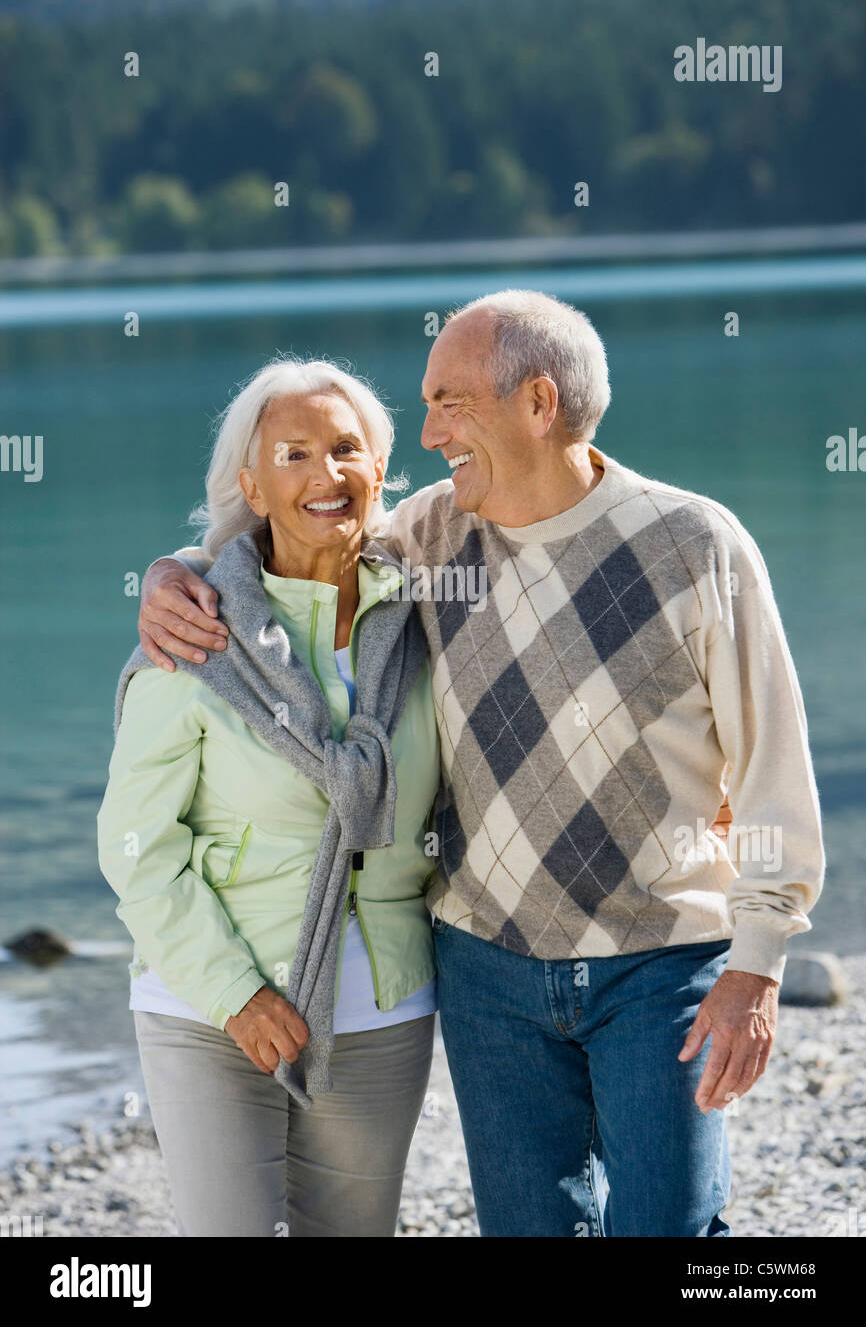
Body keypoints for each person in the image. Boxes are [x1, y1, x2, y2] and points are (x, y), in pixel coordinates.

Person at [138, 291, 824, 1237]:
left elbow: (772, 769)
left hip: (661, 962)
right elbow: (299, 535)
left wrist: (759, 964)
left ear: (539, 404)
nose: (427, 434)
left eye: (450, 403)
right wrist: (177, 573)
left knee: (674, 1227)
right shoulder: (429, 536)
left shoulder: (696, 546)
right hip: (485, 966)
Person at [97, 358, 441, 1238]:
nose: (325, 476)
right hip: (208, 1006)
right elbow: (136, 845)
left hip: (383, 1006)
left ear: (379, 471)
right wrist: (236, 993)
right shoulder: (198, 627)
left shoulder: (430, 615)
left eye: (346, 450)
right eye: (293, 454)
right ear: (251, 484)